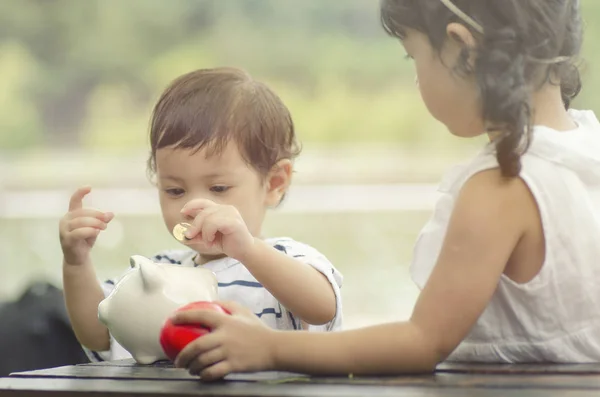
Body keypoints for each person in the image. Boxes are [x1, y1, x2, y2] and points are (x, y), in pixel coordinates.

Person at [169, 0, 600, 380]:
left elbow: (422, 341)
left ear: (462, 49)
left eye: (413, 55)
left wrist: (269, 347)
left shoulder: (501, 187)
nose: (416, 79)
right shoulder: (586, 146)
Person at [58, 67, 343, 362]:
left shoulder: (285, 259)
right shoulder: (161, 269)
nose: (193, 207)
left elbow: (323, 308)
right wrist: (76, 263)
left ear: (274, 183)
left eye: (218, 188)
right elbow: (100, 335)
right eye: (174, 191)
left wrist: (247, 250)